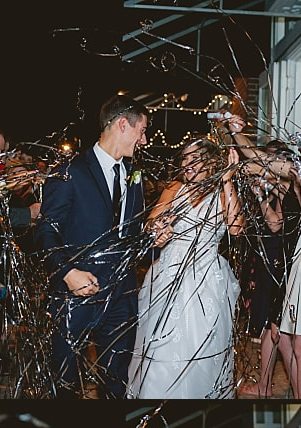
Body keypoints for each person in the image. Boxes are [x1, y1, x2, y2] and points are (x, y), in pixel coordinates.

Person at [36, 96, 148, 398]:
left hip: (122, 294)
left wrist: (153, 238)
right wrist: (67, 272)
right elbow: (46, 230)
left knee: (115, 380)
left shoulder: (134, 175)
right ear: (123, 125)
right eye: (142, 131)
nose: (145, 139)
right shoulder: (70, 170)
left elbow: (130, 234)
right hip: (76, 294)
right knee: (65, 381)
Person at [128, 138, 243, 398]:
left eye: (194, 159)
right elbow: (149, 225)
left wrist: (227, 180)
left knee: (203, 343)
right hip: (169, 271)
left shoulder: (222, 192)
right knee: (161, 342)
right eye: (185, 159)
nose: (187, 164)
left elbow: (236, 229)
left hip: (207, 278)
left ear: (212, 162)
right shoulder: (174, 188)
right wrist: (158, 228)